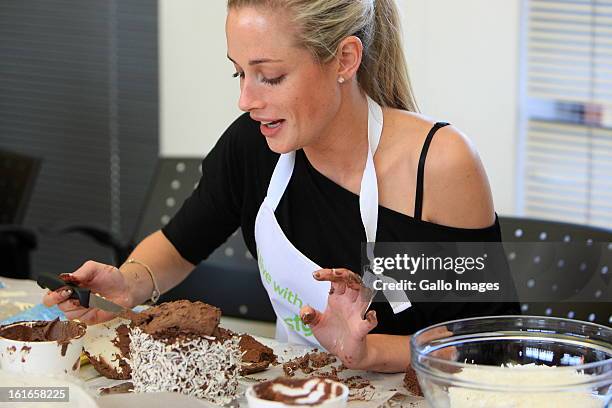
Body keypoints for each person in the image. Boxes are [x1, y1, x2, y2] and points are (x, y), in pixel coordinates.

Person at [43, 0, 518, 373]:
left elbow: (484, 343)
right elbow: (179, 244)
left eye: (270, 76)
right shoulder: (254, 146)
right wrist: (129, 282)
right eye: (239, 72)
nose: (246, 99)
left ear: (344, 59)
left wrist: (367, 351)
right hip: (299, 388)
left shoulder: (435, 165)